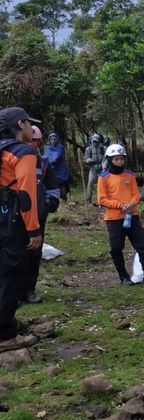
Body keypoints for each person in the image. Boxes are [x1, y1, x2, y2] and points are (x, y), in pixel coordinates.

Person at [0, 107, 42, 352]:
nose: (31, 129)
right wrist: (33, 230)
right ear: (20, 124)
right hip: (14, 220)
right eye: (29, 124)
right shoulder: (23, 152)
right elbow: (26, 195)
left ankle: (6, 321)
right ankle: (5, 335)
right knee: (12, 276)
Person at [98, 144, 144, 287]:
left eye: (121, 159)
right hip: (114, 218)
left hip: (132, 215)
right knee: (116, 248)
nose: (119, 162)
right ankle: (124, 277)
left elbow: (136, 194)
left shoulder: (129, 175)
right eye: (116, 159)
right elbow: (102, 199)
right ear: (110, 160)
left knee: (142, 245)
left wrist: (131, 204)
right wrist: (120, 205)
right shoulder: (103, 177)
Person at [18, 126, 60, 305]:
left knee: (34, 254)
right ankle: (13, 292)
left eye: (34, 141)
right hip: (15, 215)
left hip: (37, 216)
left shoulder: (43, 163)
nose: (31, 144)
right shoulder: (13, 159)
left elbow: (53, 187)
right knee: (14, 253)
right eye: (28, 140)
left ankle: (29, 290)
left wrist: (49, 203)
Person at [43, 132, 70, 200]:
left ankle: (64, 198)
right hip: (53, 170)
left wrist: (51, 160)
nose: (53, 141)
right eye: (51, 139)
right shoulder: (47, 149)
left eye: (54, 139)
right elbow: (45, 157)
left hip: (61, 170)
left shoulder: (60, 148)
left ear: (57, 140)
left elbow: (56, 156)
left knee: (62, 184)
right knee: (55, 185)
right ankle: (57, 199)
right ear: (49, 140)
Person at [84, 134, 106, 204]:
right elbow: (85, 159)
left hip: (102, 168)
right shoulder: (89, 149)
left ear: (99, 141)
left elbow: (105, 158)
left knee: (103, 184)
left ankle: (103, 200)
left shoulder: (103, 148)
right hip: (93, 168)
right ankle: (88, 200)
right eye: (93, 141)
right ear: (91, 142)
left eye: (96, 141)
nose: (94, 143)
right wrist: (88, 160)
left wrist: (104, 166)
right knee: (90, 183)